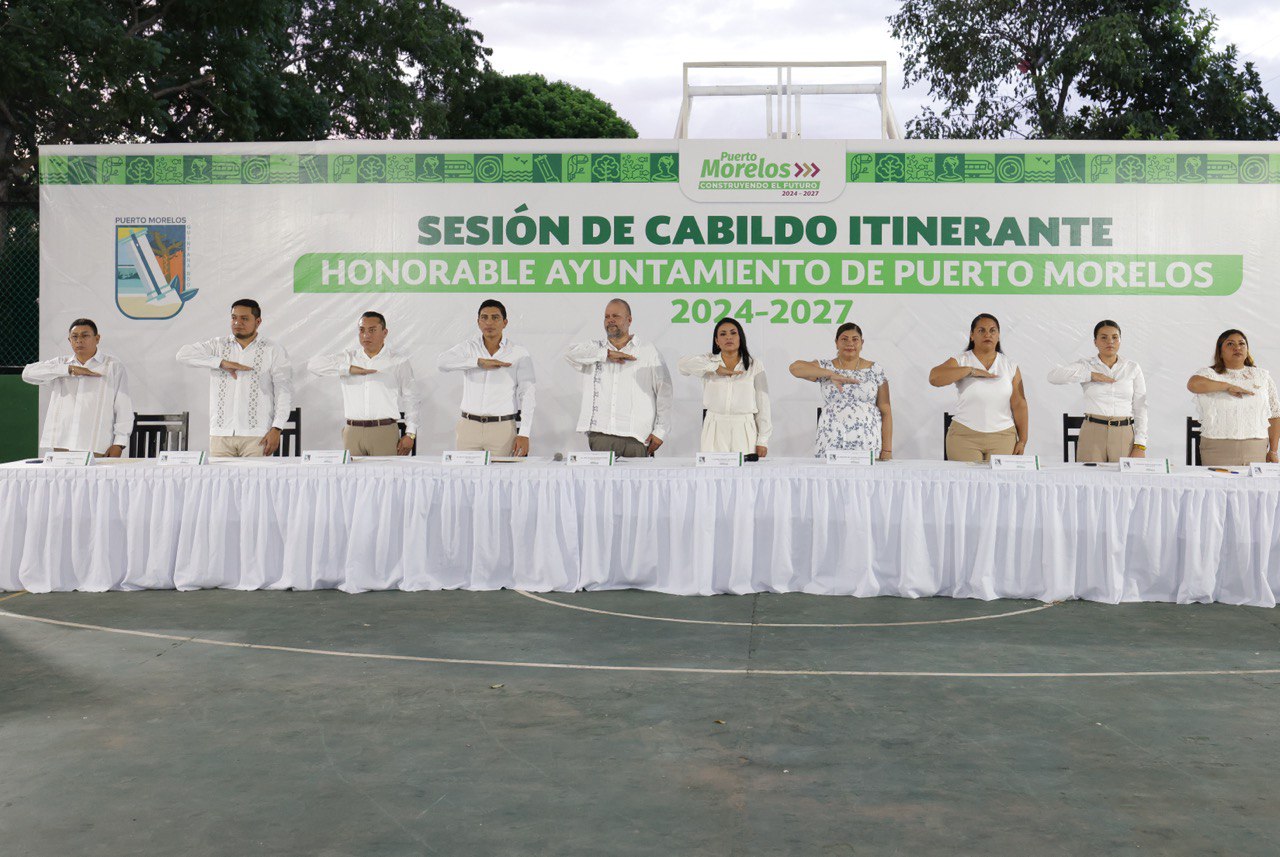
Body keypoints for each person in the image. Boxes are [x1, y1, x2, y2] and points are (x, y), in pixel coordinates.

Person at [176, 298, 293, 457]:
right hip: (220, 434)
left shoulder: (273, 350)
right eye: (234, 317)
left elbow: (284, 391)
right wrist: (220, 362)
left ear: (258, 322)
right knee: (219, 475)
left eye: (244, 318)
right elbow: (182, 355)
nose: (237, 323)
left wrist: (277, 428)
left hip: (257, 435)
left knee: (257, 475)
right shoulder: (218, 345)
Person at [564, 299, 672, 458]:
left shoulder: (647, 351)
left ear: (629, 320)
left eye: (616, 316)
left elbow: (665, 391)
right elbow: (569, 354)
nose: (610, 320)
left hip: (636, 438)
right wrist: (606, 354)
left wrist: (660, 431)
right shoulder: (595, 349)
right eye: (607, 317)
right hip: (601, 435)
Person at [307, 311, 419, 456]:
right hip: (352, 432)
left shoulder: (398, 361)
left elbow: (411, 397)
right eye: (362, 330)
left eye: (372, 330)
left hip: (384, 432)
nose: (366, 335)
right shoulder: (348, 358)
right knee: (351, 472)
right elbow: (313, 365)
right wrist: (348, 369)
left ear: (384, 332)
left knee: (385, 472)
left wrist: (410, 433)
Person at [436, 299, 536, 456]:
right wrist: (478, 362)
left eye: (495, 317)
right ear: (478, 322)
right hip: (468, 427)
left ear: (505, 322)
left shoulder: (518, 353)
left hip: (502, 429)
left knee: (502, 472)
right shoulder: (469, 348)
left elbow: (527, 394)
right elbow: (441, 363)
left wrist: (524, 433)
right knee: (464, 472)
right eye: (484, 317)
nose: (489, 322)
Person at [22, 318, 132, 457]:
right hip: (62, 443)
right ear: (69, 340)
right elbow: (27, 373)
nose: (79, 340)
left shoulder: (112, 366)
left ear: (97, 338)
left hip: (96, 444)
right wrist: (69, 370)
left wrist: (119, 443)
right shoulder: (61, 364)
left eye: (85, 335)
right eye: (74, 337)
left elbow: (123, 407)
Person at [929, 312, 1028, 462]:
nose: (987, 334)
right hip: (964, 436)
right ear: (972, 335)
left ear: (998, 335)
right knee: (966, 478)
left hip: (1003, 436)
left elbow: (1019, 404)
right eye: (981, 330)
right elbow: (934, 378)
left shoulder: (1010, 365)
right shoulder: (961, 360)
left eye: (992, 330)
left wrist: (1023, 440)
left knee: (998, 478)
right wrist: (970, 371)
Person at [1047, 319, 1148, 462]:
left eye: (1115, 337)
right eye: (1104, 337)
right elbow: (1053, 376)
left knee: (1123, 476)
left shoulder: (1132, 367)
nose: (1110, 342)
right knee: (1088, 475)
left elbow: (1140, 407)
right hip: (1092, 432)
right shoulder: (1086, 365)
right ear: (1095, 342)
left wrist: (1140, 445)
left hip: (1123, 433)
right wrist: (1090, 375)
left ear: (1120, 340)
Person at [790, 322, 892, 460]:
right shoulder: (825, 366)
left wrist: (887, 450)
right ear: (836, 343)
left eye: (855, 339)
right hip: (831, 439)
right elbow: (795, 368)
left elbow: (886, 410)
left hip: (867, 440)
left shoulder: (875, 369)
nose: (850, 343)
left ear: (862, 343)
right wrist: (830, 374)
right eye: (844, 339)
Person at [678, 317, 771, 457]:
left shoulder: (754, 365)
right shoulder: (708, 361)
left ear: (740, 338)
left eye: (733, 333)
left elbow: (763, 403)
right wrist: (715, 368)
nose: (728, 337)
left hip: (744, 428)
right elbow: (682, 365)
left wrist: (762, 440)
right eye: (723, 334)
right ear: (717, 341)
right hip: (714, 427)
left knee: (743, 470)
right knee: (712, 469)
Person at [1186, 329, 1280, 466]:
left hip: (1256, 448)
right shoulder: (1209, 374)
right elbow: (1193, 384)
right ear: (1220, 352)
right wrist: (1227, 386)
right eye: (1230, 344)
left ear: (1247, 350)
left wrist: (1273, 450)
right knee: (1217, 480)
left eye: (1242, 344)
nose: (1237, 347)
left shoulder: (1262, 377)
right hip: (1217, 449)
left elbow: (1275, 415)